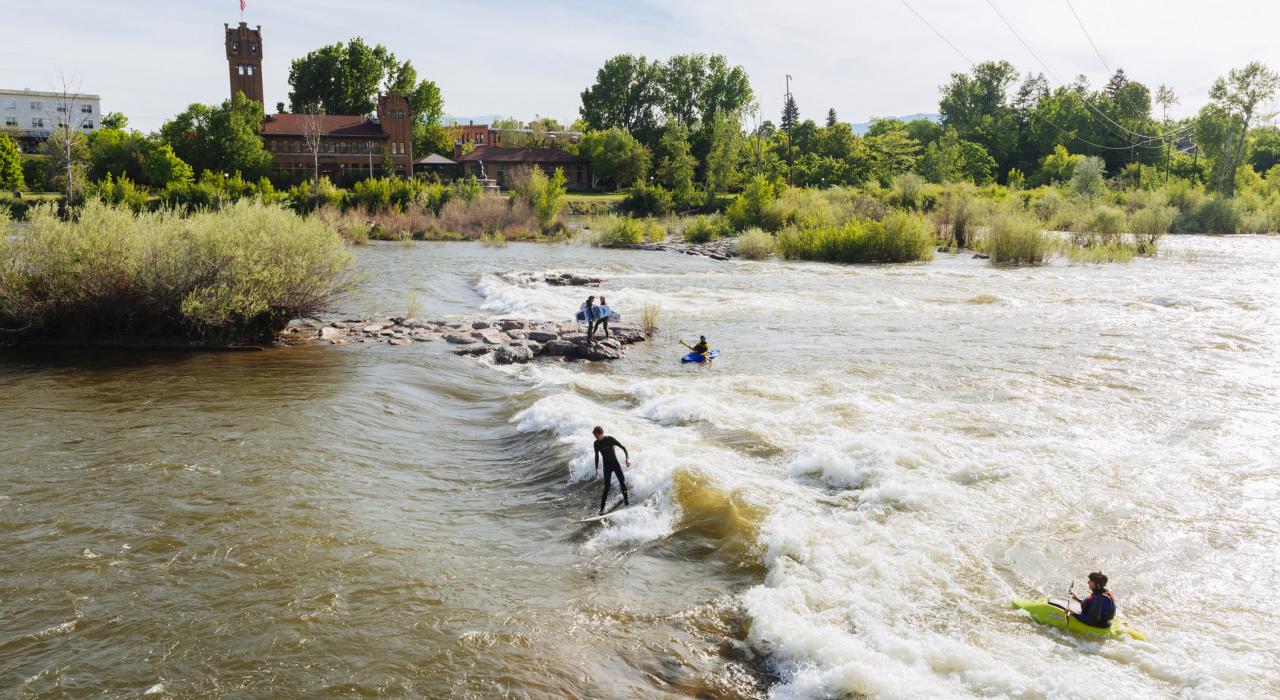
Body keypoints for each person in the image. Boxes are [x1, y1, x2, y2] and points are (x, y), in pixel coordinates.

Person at [592, 426, 630, 515]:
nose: (596, 438)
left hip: (615, 464)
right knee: (606, 487)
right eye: (595, 436)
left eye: (597, 436)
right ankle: (602, 509)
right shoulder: (596, 444)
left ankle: (626, 501)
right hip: (607, 466)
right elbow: (597, 456)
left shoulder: (610, 439)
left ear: (601, 433)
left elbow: (623, 447)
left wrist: (627, 458)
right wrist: (596, 470)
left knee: (622, 482)